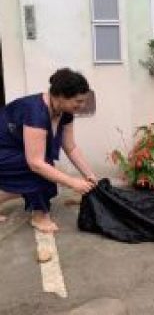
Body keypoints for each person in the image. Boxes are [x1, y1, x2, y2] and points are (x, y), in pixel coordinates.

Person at [0, 68, 97, 233]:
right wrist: (72, 182)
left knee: (46, 171)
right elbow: (36, 163)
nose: (82, 106)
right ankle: (39, 215)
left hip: (15, 150)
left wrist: (90, 175)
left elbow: (70, 147)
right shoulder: (35, 111)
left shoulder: (65, 112)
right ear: (59, 96)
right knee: (42, 170)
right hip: (3, 150)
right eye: (78, 101)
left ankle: (37, 210)